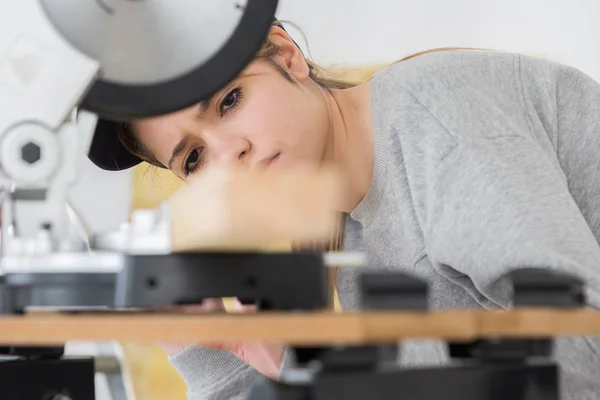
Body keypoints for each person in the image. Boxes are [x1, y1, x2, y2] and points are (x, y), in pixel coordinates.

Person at [88, 19, 600, 400]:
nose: (230, 154)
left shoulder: (432, 123)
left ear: (287, 55)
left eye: (230, 101)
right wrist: (208, 349)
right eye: (195, 157)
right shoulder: (342, 227)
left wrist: (310, 361)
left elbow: (585, 349)